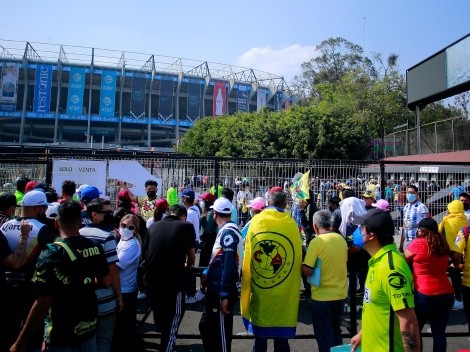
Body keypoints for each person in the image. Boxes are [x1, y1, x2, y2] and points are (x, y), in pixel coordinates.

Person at [10, 201, 111, 352]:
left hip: (61, 333)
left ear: (56, 223)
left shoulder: (52, 252)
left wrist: (20, 342)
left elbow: (42, 303)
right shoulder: (95, 246)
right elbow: (106, 282)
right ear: (79, 222)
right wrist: (82, 282)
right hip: (88, 327)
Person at [241, 190, 302, 352]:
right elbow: (296, 257)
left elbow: (247, 254)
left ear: (268, 202)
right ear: (285, 204)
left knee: (260, 339)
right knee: (281, 342)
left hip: (261, 289)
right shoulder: (291, 223)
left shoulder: (256, 221)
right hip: (283, 291)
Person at [351, 208, 420, 352]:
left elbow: (409, 322)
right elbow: (378, 307)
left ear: (371, 235)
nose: (356, 232)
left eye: (360, 228)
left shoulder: (391, 267)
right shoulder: (377, 261)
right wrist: (363, 333)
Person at [1, 190, 55, 350]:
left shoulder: (5, 225)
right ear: (37, 208)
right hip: (31, 287)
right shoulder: (42, 229)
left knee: (8, 328)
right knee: (32, 329)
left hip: (6, 285)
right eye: (43, 208)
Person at [143, 205, 196, 352]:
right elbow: (191, 256)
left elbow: (146, 254)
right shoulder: (186, 226)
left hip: (151, 280)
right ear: (183, 216)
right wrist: (188, 266)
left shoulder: (153, 226)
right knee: (174, 317)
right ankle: (166, 348)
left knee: (161, 317)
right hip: (174, 281)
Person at [199, 197, 243, 352]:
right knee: (206, 326)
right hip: (216, 288)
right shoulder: (226, 231)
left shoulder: (228, 233)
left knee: (221, 333)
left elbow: (229, 264)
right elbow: (217, 259)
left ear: (215, 214)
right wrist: (206, 272)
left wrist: (225, 294)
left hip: (221, 290)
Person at [79, 198, 123, 352]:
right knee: (103, 342)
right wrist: (119, 296)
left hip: (81, 298)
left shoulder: (77, 234)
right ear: (95, 215)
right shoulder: (106, 237)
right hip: (104, 299)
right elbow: (113, 270)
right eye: (107, 213)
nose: (110, 215)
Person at [404, 218, 454, 352]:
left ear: (421, 230)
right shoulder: (443, 244)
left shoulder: (418, 243)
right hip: (446, 292)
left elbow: (403, 260)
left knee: (416, 330)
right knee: (439, 333)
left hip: (424, 294)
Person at [302, 209, 348, 352]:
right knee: (336, 334)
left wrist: (300, 263)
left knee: (324, 337)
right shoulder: (341, 239)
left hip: (322, 296)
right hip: (340, 294)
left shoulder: (317, 242)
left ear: (315, 226)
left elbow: (307, 270)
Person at [112, 214, 142, 352]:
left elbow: (115, 268)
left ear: (135, 230)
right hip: (122, 288)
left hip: (125, 291)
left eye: (130, 227)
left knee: (123, 330)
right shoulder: (122, 240)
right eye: (123, 225)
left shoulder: (131, 244)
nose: (125, 229)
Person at [439, 199, 468, 310]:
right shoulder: (463, 219)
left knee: (445, 275)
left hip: (448, 252)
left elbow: (439, 232)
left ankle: (452, 298)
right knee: (457, 276)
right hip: (459, 251)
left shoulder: (447, 221)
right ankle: (459, 297)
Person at [181, 189, 203, 303]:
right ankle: (190, 292)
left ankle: (191, 294)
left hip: (192, 242)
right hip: (194, 241)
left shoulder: (189, 212)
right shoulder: (194, 209)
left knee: (189, 267)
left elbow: (184, 226)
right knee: (190, 267)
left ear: (185, 198)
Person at [399, 185, 429, 253]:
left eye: (412, 193)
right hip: (407, 242)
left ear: (416, 194)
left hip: (417, 241)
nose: (410, 195)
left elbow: (426, 225)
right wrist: (401, 244)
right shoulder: (406, 207)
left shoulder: (422, 207)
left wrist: (414, 225)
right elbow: (404, 226)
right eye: (408, 192)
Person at [199, 191, 217, 267]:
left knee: (204, 265)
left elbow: (208, 230)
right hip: (207, 241)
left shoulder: (210, 213)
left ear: (207, 202)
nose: (201, 202)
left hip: (208, 242)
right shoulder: (207, 212)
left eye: (203, 200)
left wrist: (202, 220)